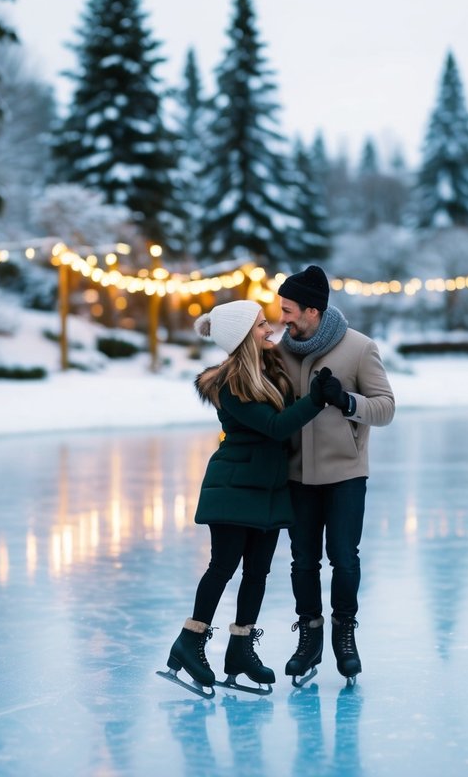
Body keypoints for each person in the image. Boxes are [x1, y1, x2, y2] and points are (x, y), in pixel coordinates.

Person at [159, 299, 344, 698]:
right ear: (244, 335)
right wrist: (316, 399)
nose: (270, 329)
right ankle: (189, 642)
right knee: (223, 566)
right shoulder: (229, 383)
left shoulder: (269, 369)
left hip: (270, 488)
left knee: (257, 572)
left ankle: (240, 649)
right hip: (234, 486)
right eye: (261, 325)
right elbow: (276, 427)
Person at [275, 265, 395, 686]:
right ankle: (309, 638)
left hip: (345, 473)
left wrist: (346, 401)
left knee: (344, 558)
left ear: (313, 310)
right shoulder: (280, 351)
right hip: (297, 475)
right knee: (303, 561)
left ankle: (345, 634)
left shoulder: (359, 348)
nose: (283, 318)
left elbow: (386, 407)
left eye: (288, 310)